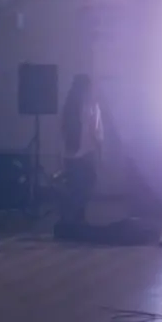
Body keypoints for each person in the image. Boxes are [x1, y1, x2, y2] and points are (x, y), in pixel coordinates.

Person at [59, 74, 103, 225]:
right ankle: (77, 221)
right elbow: (97, 132)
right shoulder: (91, 106)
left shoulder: (68, 106)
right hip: (86, 155)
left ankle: (70, 221)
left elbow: (63, 132)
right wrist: (100, 152)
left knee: (75, 190)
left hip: (70, 155)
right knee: (85, 189)